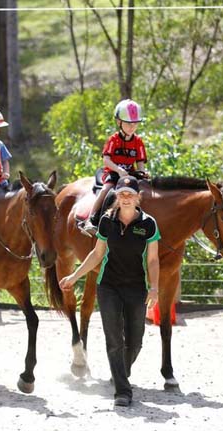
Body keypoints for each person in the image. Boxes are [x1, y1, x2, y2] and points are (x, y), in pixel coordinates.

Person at [59, 175, 160, 407]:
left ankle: (119, 373)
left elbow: (153, 260)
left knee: (135, 341)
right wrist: (74, 276)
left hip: (136, 287)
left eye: (130, 195)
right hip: (109, 286)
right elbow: (96, 254)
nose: (125, 198)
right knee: (113, 339)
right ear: (117, 197)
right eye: (121, 194)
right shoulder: (106, 220)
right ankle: (122, 391)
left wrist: (154, 287)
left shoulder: (148, 224)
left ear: (137, 198)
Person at [80, 99, 149, 237]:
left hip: (130, 175)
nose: (132, 127)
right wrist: (118, 170)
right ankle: (90, 220)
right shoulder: (113, 140)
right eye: (129, 123)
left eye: (135, 123)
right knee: (106, 190)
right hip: (113, 173)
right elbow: (106, 159)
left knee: (146, 190)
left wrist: (143, 172)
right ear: (119, 122)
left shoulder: (138, 142)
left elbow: (140, 162)